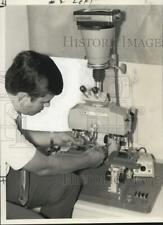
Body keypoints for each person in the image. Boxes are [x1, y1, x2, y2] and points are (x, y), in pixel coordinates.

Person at [2, 50, 105, 218]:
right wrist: (88, 160)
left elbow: (15, 138)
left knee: (68, 183)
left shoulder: (6, 90)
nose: (47, 106)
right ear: (23, 98)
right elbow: (44, 167)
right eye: (44, 101)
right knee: (36, 221)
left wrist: (55, 136)